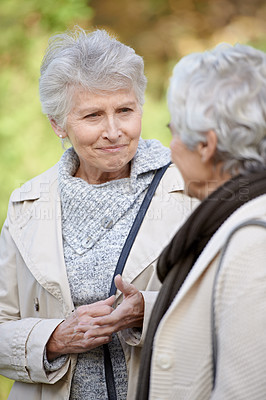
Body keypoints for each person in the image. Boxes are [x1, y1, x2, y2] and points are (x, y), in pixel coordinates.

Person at [0, 27, 196, 400]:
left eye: (124, 110)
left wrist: (147, 310)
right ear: (58, 125)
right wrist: (55, 338)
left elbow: (236, 304)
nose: (113, 131)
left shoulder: (191, 187)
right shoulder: (28, 203)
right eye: (92, 116)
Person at [136, 43, 266, 399]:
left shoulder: (254, 242)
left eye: (173, 130)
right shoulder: (232, 217)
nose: (170, 146)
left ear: (206, 145)